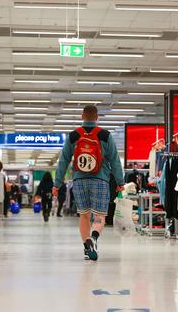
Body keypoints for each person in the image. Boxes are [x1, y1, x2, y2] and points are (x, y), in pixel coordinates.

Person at [53, 105, 125, 261]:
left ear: (82, 116)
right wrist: (120, 181)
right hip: (100, 180)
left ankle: (86, 249)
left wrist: (57, 184)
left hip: (79, 180)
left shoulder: (73, 136)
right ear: (97, 117)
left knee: (84, 215)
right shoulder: (105, 135)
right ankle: (93, 237)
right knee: (99, 216)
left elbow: (63, 161)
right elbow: (115, 161)